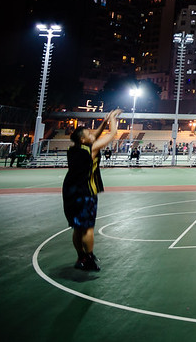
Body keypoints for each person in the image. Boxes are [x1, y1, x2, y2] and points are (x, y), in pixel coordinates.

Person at [62, 108, 122, 271]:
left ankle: (81, 256)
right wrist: (112, 119)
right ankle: (88, 259)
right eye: (88, 134)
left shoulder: (73, 148)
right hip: (85, 192)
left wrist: (103, 122)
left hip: (70, 191)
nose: (92, 135)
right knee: (87, 228)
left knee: (77, 227)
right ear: (83, 139)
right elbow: (112, 134)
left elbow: (95, 136)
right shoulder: (92, 149)